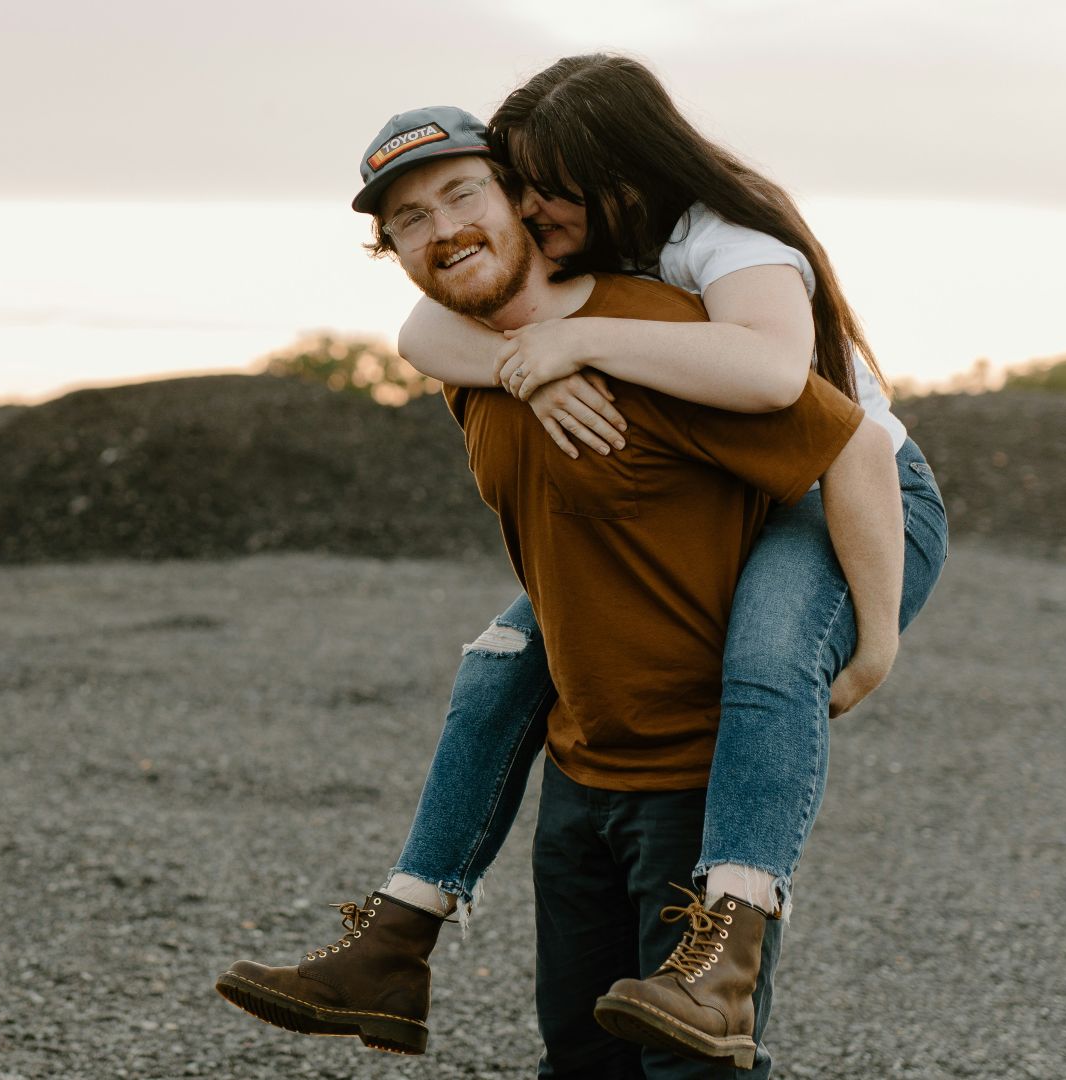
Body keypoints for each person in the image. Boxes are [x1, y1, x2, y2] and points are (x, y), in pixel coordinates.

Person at [217, 106, 891, 1077]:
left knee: (691, 1070)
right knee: (577, 1062)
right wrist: (524, 365)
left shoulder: (660, 332)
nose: (443, 229)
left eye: (463, 194)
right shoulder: (469, 357)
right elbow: (433, 335)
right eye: (409, 220)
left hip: (695, 780)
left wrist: (872, 637)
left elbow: (853, 447)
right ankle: (398, 940)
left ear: (523, 202)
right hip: (578, 779)